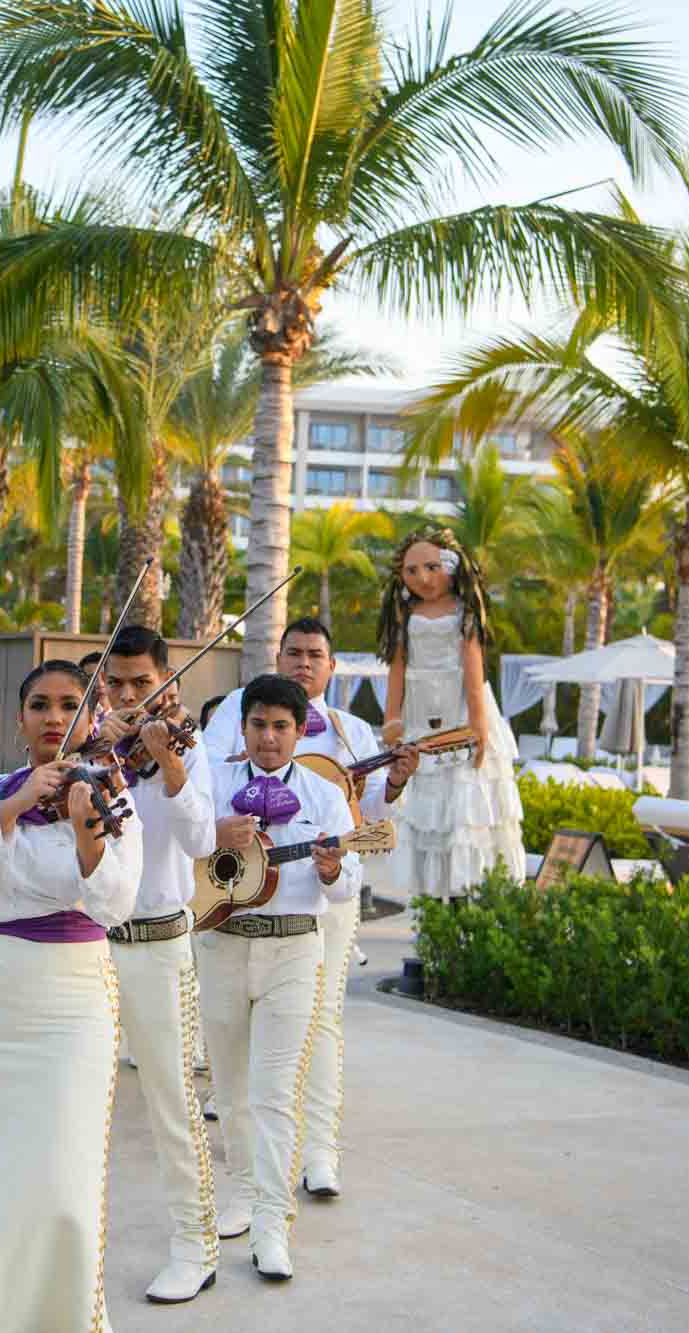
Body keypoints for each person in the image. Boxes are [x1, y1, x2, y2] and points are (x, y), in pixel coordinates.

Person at [0, 660, 143, 1330]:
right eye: (39, 703)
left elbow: (116, 908)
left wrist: (88, 837)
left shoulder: (111, 793)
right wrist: (13, 805)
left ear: (90, 716)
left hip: (73, 1000)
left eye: (69, 703)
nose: (52, 716)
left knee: (62, 1176)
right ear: (20, 719)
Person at [200, 615, 408, 1201]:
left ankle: (319, 1155)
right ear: (278, 656)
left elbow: (368, 812)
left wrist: (391, 786)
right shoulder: (239, 708)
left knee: (321, 1023)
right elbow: (202, 785)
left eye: (316, 654)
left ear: (332, 665)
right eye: (294, 652)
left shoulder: (350, 732)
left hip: (316, 898)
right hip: (236, 898)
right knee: (232, 1042)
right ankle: (250, 1173)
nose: (304, 662)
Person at [198, 673, 361, 1282]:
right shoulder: (211, 785)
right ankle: (240, 1192)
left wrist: (330, 871)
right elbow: (183, 855)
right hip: (221, 945)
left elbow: (347, 888)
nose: (269, 738)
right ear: (243, 728)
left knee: (272, 1096)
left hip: (294, 952)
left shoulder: (323, 795)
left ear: (300, 731)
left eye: (282, 727)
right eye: (260, 724)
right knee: (231, 1091)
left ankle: (272, 1224)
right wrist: (213, 835)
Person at [95, 627, 221, 1303]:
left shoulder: (186, 748)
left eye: (140, 683)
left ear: (167, 683)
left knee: (171, 1102)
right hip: (87, 942)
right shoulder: (92, 744)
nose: (126, 694)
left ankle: (195, 1242)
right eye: (115, 682)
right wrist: (97, 751)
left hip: (159, 941)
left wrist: (166, 763)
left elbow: (202, 838)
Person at [375, 525, 524, 901]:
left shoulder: (464, 612)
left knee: (464, 803)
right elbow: (397, 669)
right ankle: (437, 900)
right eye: (411, 571)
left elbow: (474, 674)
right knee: (429, 807)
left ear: (453, 566)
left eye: (431, 567)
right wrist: (392, 716)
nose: (422, 578)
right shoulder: (404, 614)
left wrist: (478, 724)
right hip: (420, 712)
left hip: (460, 709)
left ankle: (470, 895)